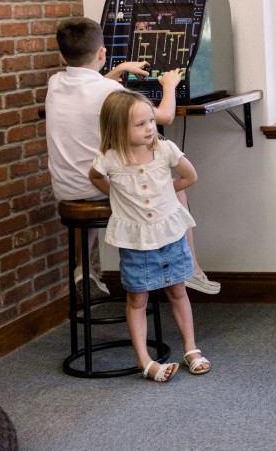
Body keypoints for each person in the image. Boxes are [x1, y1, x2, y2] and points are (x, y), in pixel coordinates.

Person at [45, 17, 220, 297]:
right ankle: (192, 271)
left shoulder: (55, 83)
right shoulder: (109, 91)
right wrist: (169, 85)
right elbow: (162, 116)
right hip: (100, 187)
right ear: (101, 52)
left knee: (91, 187)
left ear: (62, 56)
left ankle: (83, 267)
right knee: (173, 190)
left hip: (67, 189)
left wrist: (119, 70)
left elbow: (89, 86)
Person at [88, 90, 211, 381]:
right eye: (140, 124)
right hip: (136, 243)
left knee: (178, 291)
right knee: (137, 299)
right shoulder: (110, 158)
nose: (149, 128)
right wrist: (114, 193)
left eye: (151, 121)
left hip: (170, 235)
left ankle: (191, 347)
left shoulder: (165, 150)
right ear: (118, 128)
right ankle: (145, 360)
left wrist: (169, 190)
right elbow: (94, 176)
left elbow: (190, 176)